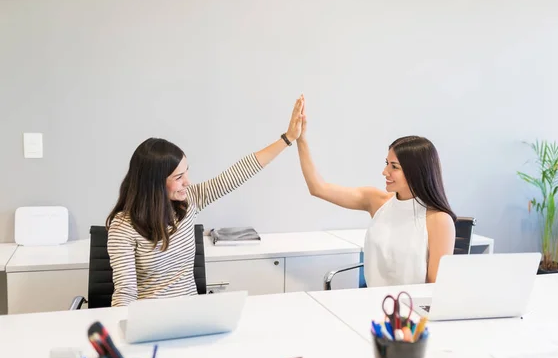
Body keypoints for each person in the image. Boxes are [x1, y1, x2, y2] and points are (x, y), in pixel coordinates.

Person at [106, 96, 305, 306]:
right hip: (150, 322)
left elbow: (236, 174)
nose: (187, 182)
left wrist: (288, 138)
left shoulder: (188, 201)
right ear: (154, 184)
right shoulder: (123, 228)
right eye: (178, 177)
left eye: (186, 172)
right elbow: (125, 295)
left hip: (192, 316)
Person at [296, 95, 456, 286]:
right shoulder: (377, 201)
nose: (385, 172)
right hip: (371, 304)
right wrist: (301, 140)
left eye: (394, 167)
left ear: (416, 172)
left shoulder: (439, 220)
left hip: (409, 311)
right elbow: (318, 188)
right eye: (387, 163)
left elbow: (436, 286)